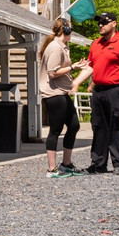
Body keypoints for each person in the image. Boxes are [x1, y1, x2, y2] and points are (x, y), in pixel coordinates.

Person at [71, 11, 119, 174]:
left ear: (114, 24)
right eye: (99, 22)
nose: (100, 25)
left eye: (104, 22)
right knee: (98, 126)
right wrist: (76, 82)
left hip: (117, 90)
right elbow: (91, 66)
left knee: (117, 126)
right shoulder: (96, 44)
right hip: (99, 91)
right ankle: (98, 164)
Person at [38, 18, 88, 178]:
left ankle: (66, 164)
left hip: (62, 92)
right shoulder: (55, 48)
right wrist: (73, 67)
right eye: (70, 30)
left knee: (74, 125)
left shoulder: (62, 47)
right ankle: (52, 169)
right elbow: (52, 73)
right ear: (65, 31)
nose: (71, 33)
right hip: (53, 93)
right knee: (55, 130)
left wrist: (75, 67)